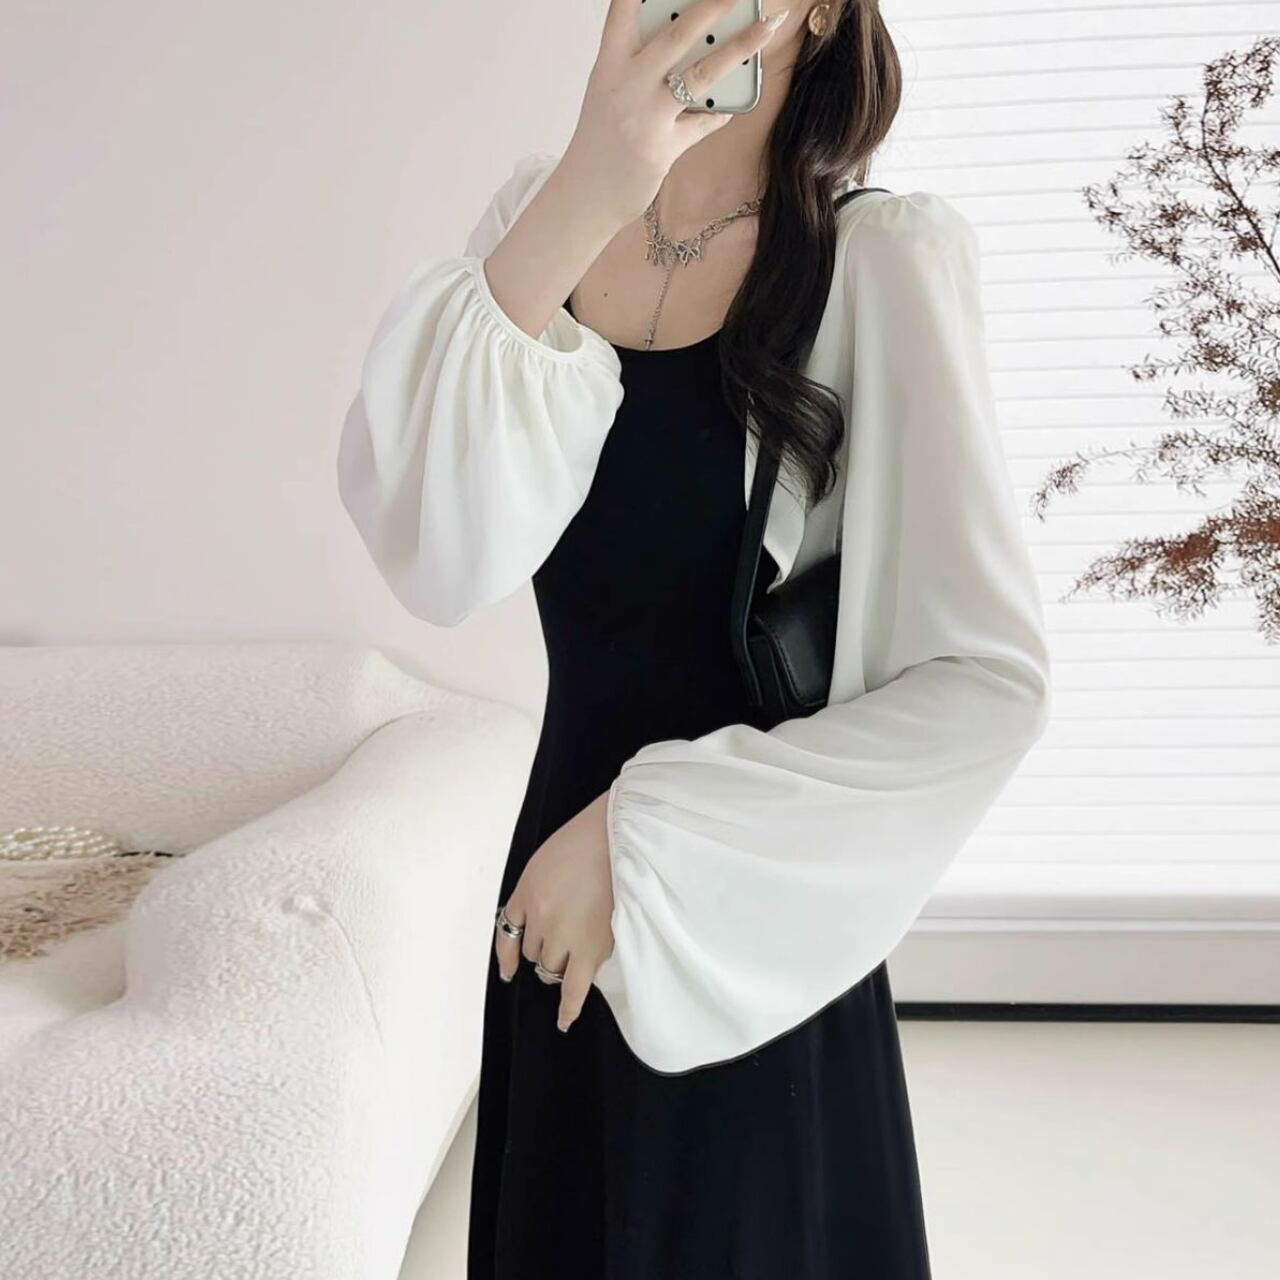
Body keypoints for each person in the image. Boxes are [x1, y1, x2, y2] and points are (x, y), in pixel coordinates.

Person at [336, 1, 1052, 1275]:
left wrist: (642, 836)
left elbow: (981, 682)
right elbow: (435, 557)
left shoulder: (875, 262)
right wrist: (588, 183)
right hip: (548, 917)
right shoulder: (538, 222)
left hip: (743, 925)